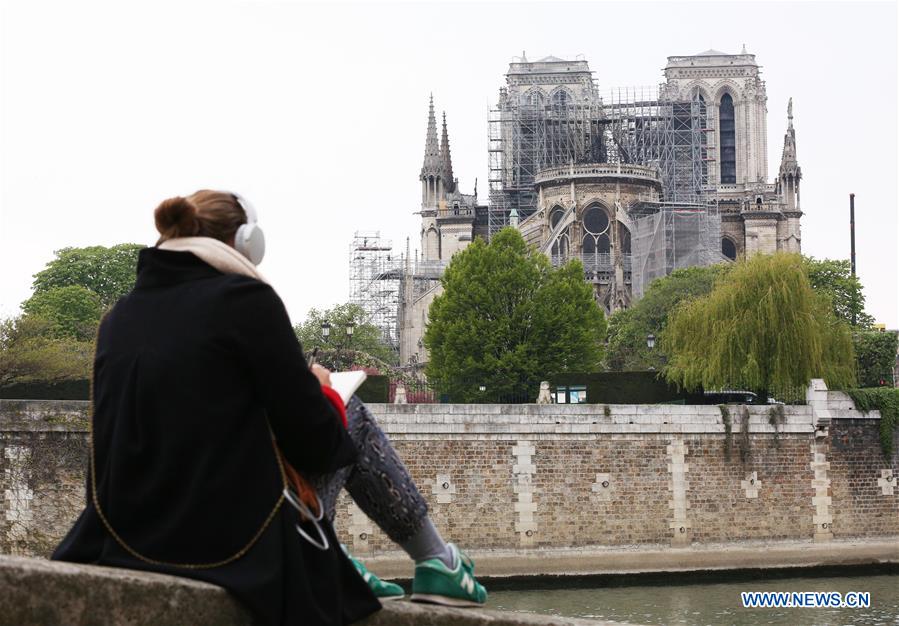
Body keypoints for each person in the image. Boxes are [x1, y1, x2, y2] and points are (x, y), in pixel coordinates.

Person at [52, 190, 485, 626]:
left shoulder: (118, 318)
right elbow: (316, 444)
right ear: (246, 242)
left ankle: (344, 558)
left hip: (121, 539)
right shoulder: (244, 301)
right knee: (350, 413)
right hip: (226, 546)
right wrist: (319, 390)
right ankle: (436, 563)